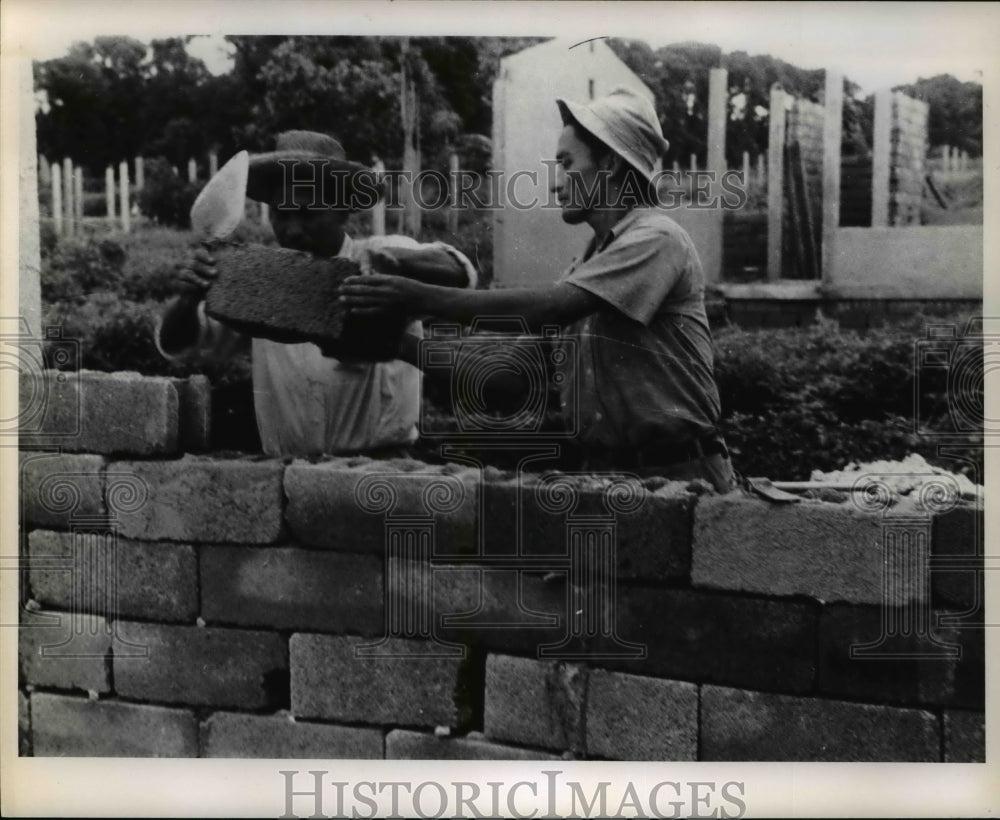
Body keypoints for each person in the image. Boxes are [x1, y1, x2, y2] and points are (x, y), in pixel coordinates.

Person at [339, 88, 737, 492]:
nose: (555, 183)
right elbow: (509, 377)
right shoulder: (586, 266)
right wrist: (399, 347)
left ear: (611, 163)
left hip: (682, 477)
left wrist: (415, 295)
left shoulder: (657, 239)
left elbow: (549, 308)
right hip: (609, 479)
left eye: (566, 164)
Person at [157, 130, 476, 457]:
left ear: (342, 211)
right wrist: (188, 299)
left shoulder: (378, 255)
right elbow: (180, 343)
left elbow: (459, 271)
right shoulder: (259, 276)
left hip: (380, 470)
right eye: (282, 214)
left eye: (309, 214)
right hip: (287, 477)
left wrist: (396, 264)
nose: (293, 230)